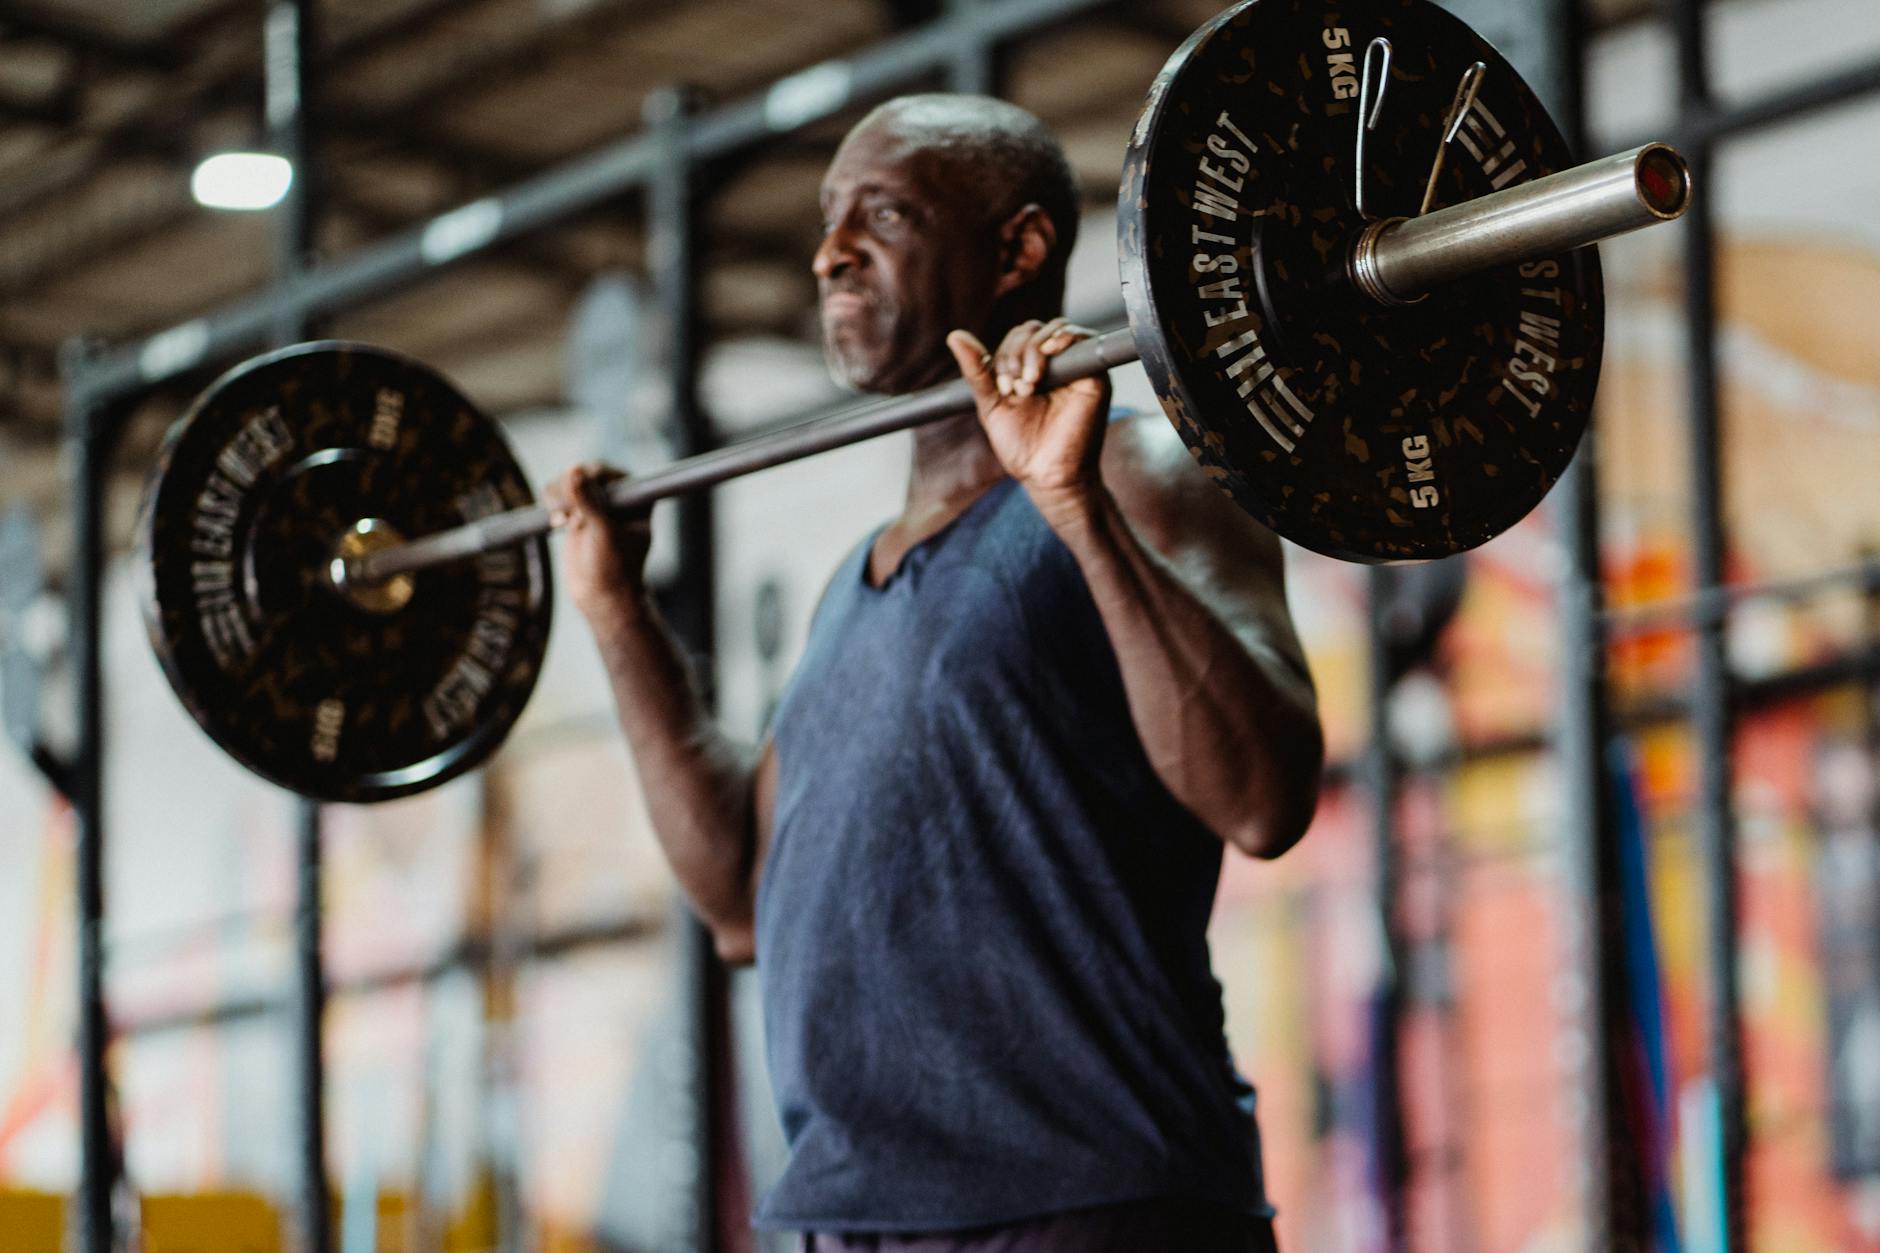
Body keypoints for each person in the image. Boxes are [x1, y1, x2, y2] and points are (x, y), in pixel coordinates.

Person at [547, 93, 1323, 1253]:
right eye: (826, 218)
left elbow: (1262, 795)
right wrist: (614, 610)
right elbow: (739, 900)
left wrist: (1071, 506)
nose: (828, 252)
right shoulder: (849, 590)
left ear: (1017, 249)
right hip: (851, 1213)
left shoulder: (1133, 470)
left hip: (1088, 1203)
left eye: (883, 214)